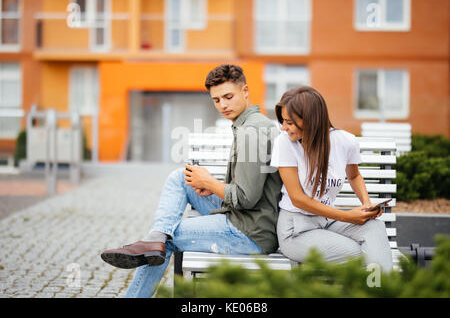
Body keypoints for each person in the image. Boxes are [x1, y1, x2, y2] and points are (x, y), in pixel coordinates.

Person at [100, 64, 282, 297]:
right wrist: (207, 185)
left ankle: (154, 246)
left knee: (169, 238)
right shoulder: (250, 125)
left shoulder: (251, 133)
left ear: (245, 91)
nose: (223, 105)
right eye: (216, 100)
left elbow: (245, 199)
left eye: (228, 96)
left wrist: (209, 182)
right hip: (245, 217)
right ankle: (156, 237)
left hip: (249, 233)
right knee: (181, 178)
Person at [270, 86, 393, 272]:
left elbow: (354, 175)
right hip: (296, 229)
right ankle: (378, 289)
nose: (284, 127)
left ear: (311, 121)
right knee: (361, 252)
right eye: (283, 121)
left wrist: (366, 204)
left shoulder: (345, 141)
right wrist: (348, 216)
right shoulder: (285, 143)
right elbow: (297, 198)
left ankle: (381, 291)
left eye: (289, 122)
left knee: (374, 228)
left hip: (327, 221)